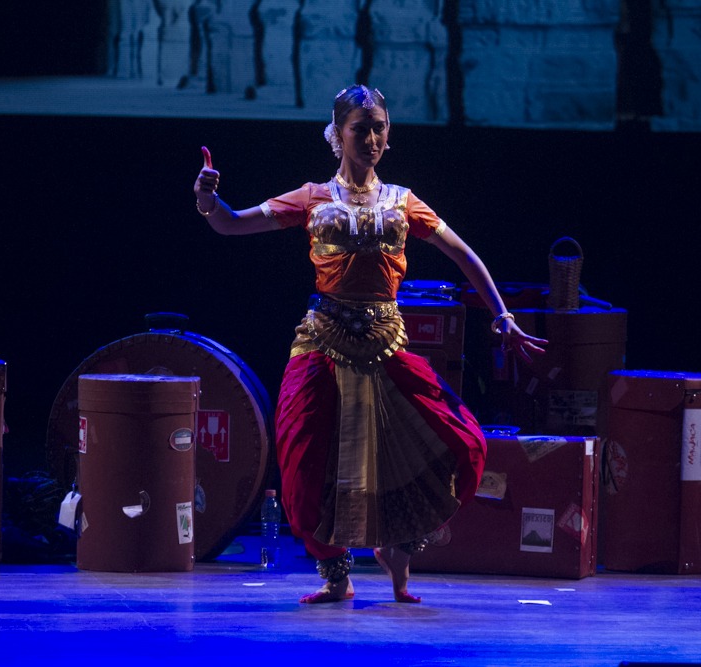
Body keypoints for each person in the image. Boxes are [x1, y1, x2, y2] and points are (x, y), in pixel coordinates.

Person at [193, 84, 546, 604]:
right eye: (361, 129)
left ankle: (398, 549)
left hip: (386, 341)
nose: (373, 139)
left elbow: (465, 255)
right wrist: (207, 201)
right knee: (300, 465)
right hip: (323, 340)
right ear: (337, 136)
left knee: (464, 444)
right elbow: (230, 223)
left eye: (380, 128)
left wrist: (504, 316)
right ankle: (337, 575)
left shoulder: (403, 202)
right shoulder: (312, 197)